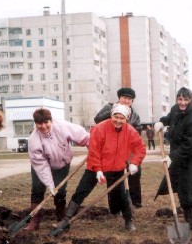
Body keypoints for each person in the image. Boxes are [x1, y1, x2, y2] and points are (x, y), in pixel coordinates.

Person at [52, 104, 146, 236]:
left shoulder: (130, 131)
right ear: (111, 115)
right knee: (81, 191)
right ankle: (66, 219)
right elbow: (94, 151)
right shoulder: (99, 128)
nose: (118, 120)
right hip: (95, 167)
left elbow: (140, 148)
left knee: (123, 195)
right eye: (116, 117)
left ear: (127, 119)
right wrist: (98, 170)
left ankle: (128, 220)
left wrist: (135, 163)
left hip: (117, 169)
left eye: (122, 118)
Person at [25, 108, 90, 231]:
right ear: (35, 123)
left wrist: (92, 146)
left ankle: (61, 219)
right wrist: (50, 185)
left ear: (51, 120)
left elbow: (83, 136)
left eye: (46, 122)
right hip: (41, 166)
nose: (44, 126)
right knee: (37, 189)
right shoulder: (34, 140)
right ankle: (34, 221)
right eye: (40, 123)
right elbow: (41, 166)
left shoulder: (62, 126)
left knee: (60, 191)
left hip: (61, 164)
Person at [154, 87, 192, 231]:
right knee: (181, 185)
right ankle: (189, 218)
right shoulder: (176, 110)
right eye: (180, 99)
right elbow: (170, 118)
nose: (182, 102)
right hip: (180, 155)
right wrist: (161, 122)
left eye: (186, 99)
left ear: (190, 100)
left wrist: (172, 157)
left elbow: (190, 144)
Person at [94, 87, 143, 207]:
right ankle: (115, 206)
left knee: (135, 172)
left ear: (132, 102)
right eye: (124, 98)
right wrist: (112, 111)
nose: (126, 101)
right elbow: (97, 119)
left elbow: (138, 130)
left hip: (128, 148)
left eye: (129, 99)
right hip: (111, 148)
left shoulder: (134, 114)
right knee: (113, 175)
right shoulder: (109, 107)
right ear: (119, 98)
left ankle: (135, 201)